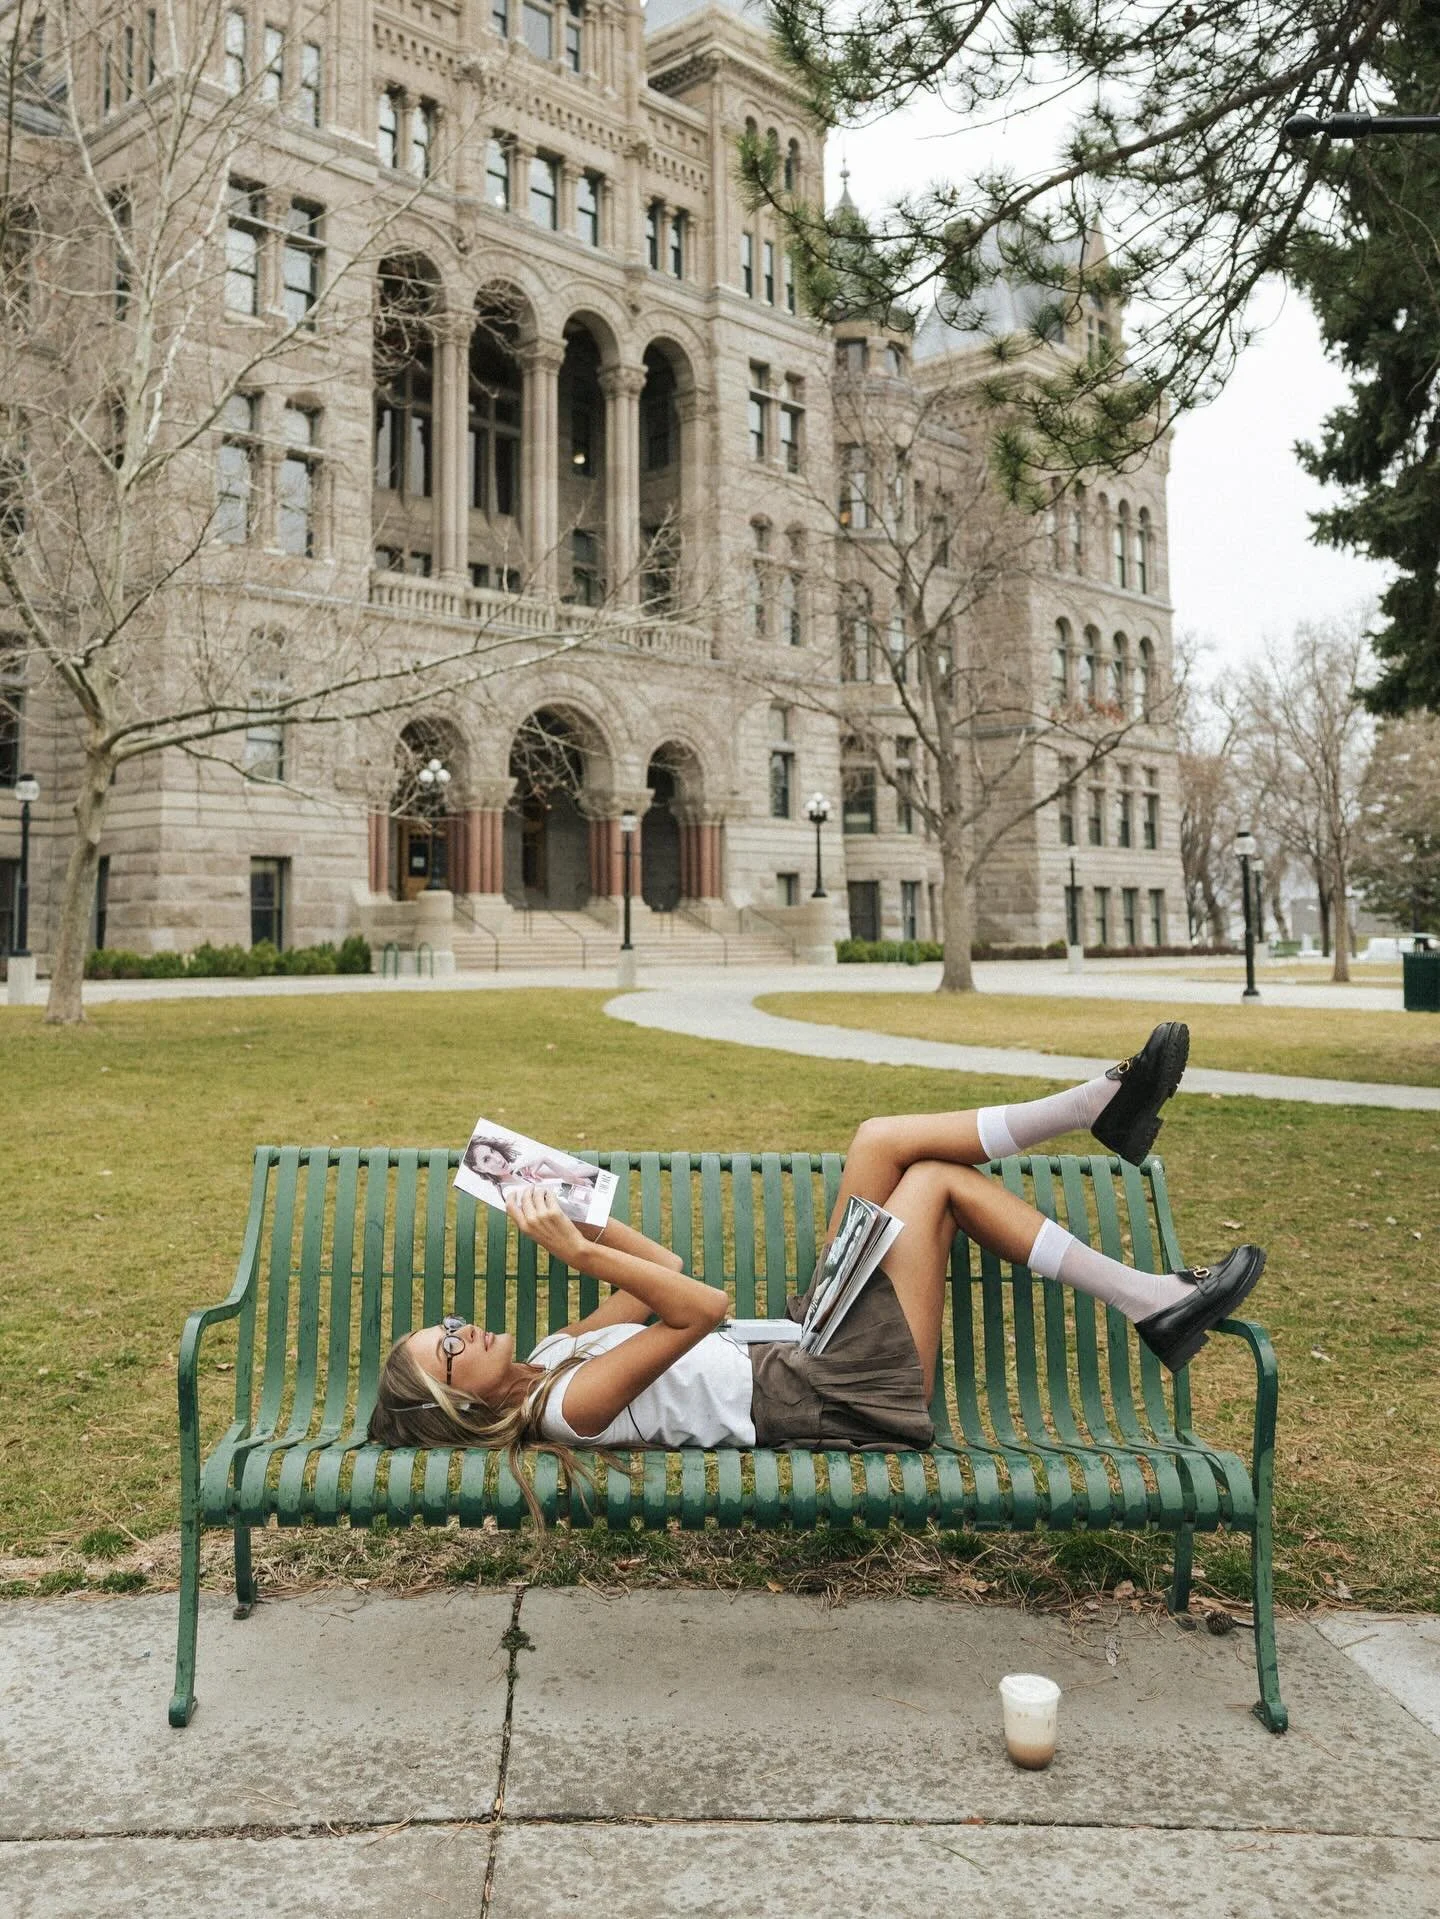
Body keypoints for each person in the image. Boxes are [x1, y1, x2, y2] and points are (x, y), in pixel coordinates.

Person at [369, 1022, 1265, 1514]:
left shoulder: (556, 1356)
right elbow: (697, 1307)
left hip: (808, 1342)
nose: (461, 1328)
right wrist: (580, 1253)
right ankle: (1152, 1299)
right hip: (837, 1387)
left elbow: (665, 1270)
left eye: (444, 1326)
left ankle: (1098, 1107)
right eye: (449, 1348)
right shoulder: (570, 1409)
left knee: (880, 1141)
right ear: (469, 1402)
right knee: (934, 1183)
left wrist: (570, 1206)